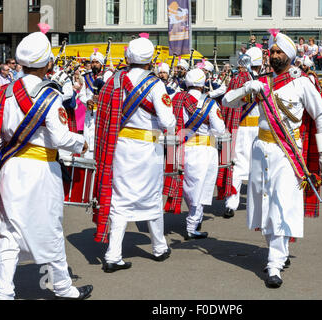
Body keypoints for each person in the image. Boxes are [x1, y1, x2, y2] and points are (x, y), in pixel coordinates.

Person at [0, 31, 92, 300]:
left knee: (8, 233)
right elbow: (59, 137)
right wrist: (83, 143)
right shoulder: (50, 94)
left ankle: (4, 294)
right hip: (41, 169)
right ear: (46, 63)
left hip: (11, 168)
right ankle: (65, 289)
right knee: (50, 229)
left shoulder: (3, 94)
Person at [247, 32, 322, 288]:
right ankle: (278, 252)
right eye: (272, 52)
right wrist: (245, 88)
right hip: (260, 148)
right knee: (263, 202)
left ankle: (274, 263)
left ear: (290, 56)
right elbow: (230, 105)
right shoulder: (262, 82)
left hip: (287, 151)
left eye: (279, 52)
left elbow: (321, 115)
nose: (274, 56)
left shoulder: (302, 83)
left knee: (281, 203)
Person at [93, 37, 177, 272]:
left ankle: (113, 254)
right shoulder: (156, 85)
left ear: (128, 57)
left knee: (120, 199)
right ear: (151, 60)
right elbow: (167, 121)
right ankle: (159, 248)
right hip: (147, 150)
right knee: (151, 197)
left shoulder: (114, 80)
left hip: (119, 147)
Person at [178, 68, 226, 238]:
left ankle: (193, 219)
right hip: (205, 150)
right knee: (201, 188)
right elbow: (219, 130)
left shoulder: (177, 99)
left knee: (188, 186)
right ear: (203, 84)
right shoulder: (210, 103)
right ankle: (192, 225)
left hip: (181, 147)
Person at [220, 47, 262, 219]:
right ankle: (258, 203)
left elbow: (227, 102)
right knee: (259, 167)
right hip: (259, 130)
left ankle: (231, 203)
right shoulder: (263, 82)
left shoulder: (236, 80)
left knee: (236, 166)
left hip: (240, 128)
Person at [78, 50, 113, 159]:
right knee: (88, 137)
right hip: (90, 112)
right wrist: (87, 101)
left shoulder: (108, 75)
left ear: (101, 64)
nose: (94, 64)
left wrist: (101, 98)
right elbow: (81, 95)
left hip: (103, 112)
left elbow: (112, 93)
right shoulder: (86, 77)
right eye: (92, 62)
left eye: (97, 62)